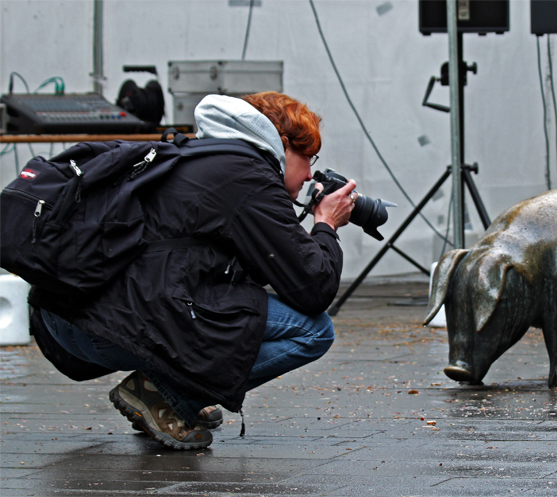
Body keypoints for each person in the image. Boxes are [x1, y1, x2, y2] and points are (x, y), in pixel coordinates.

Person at [28, 92, 356, 450]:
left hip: (64, 318)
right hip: (101, 325)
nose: (309, 174)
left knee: (234, 306)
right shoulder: (249, 175)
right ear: (281, 144)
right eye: (307, 157)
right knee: (313, 332)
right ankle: (165, 396)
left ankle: (167, 389)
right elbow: (314, 288)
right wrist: (326, 224)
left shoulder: (199, 155)